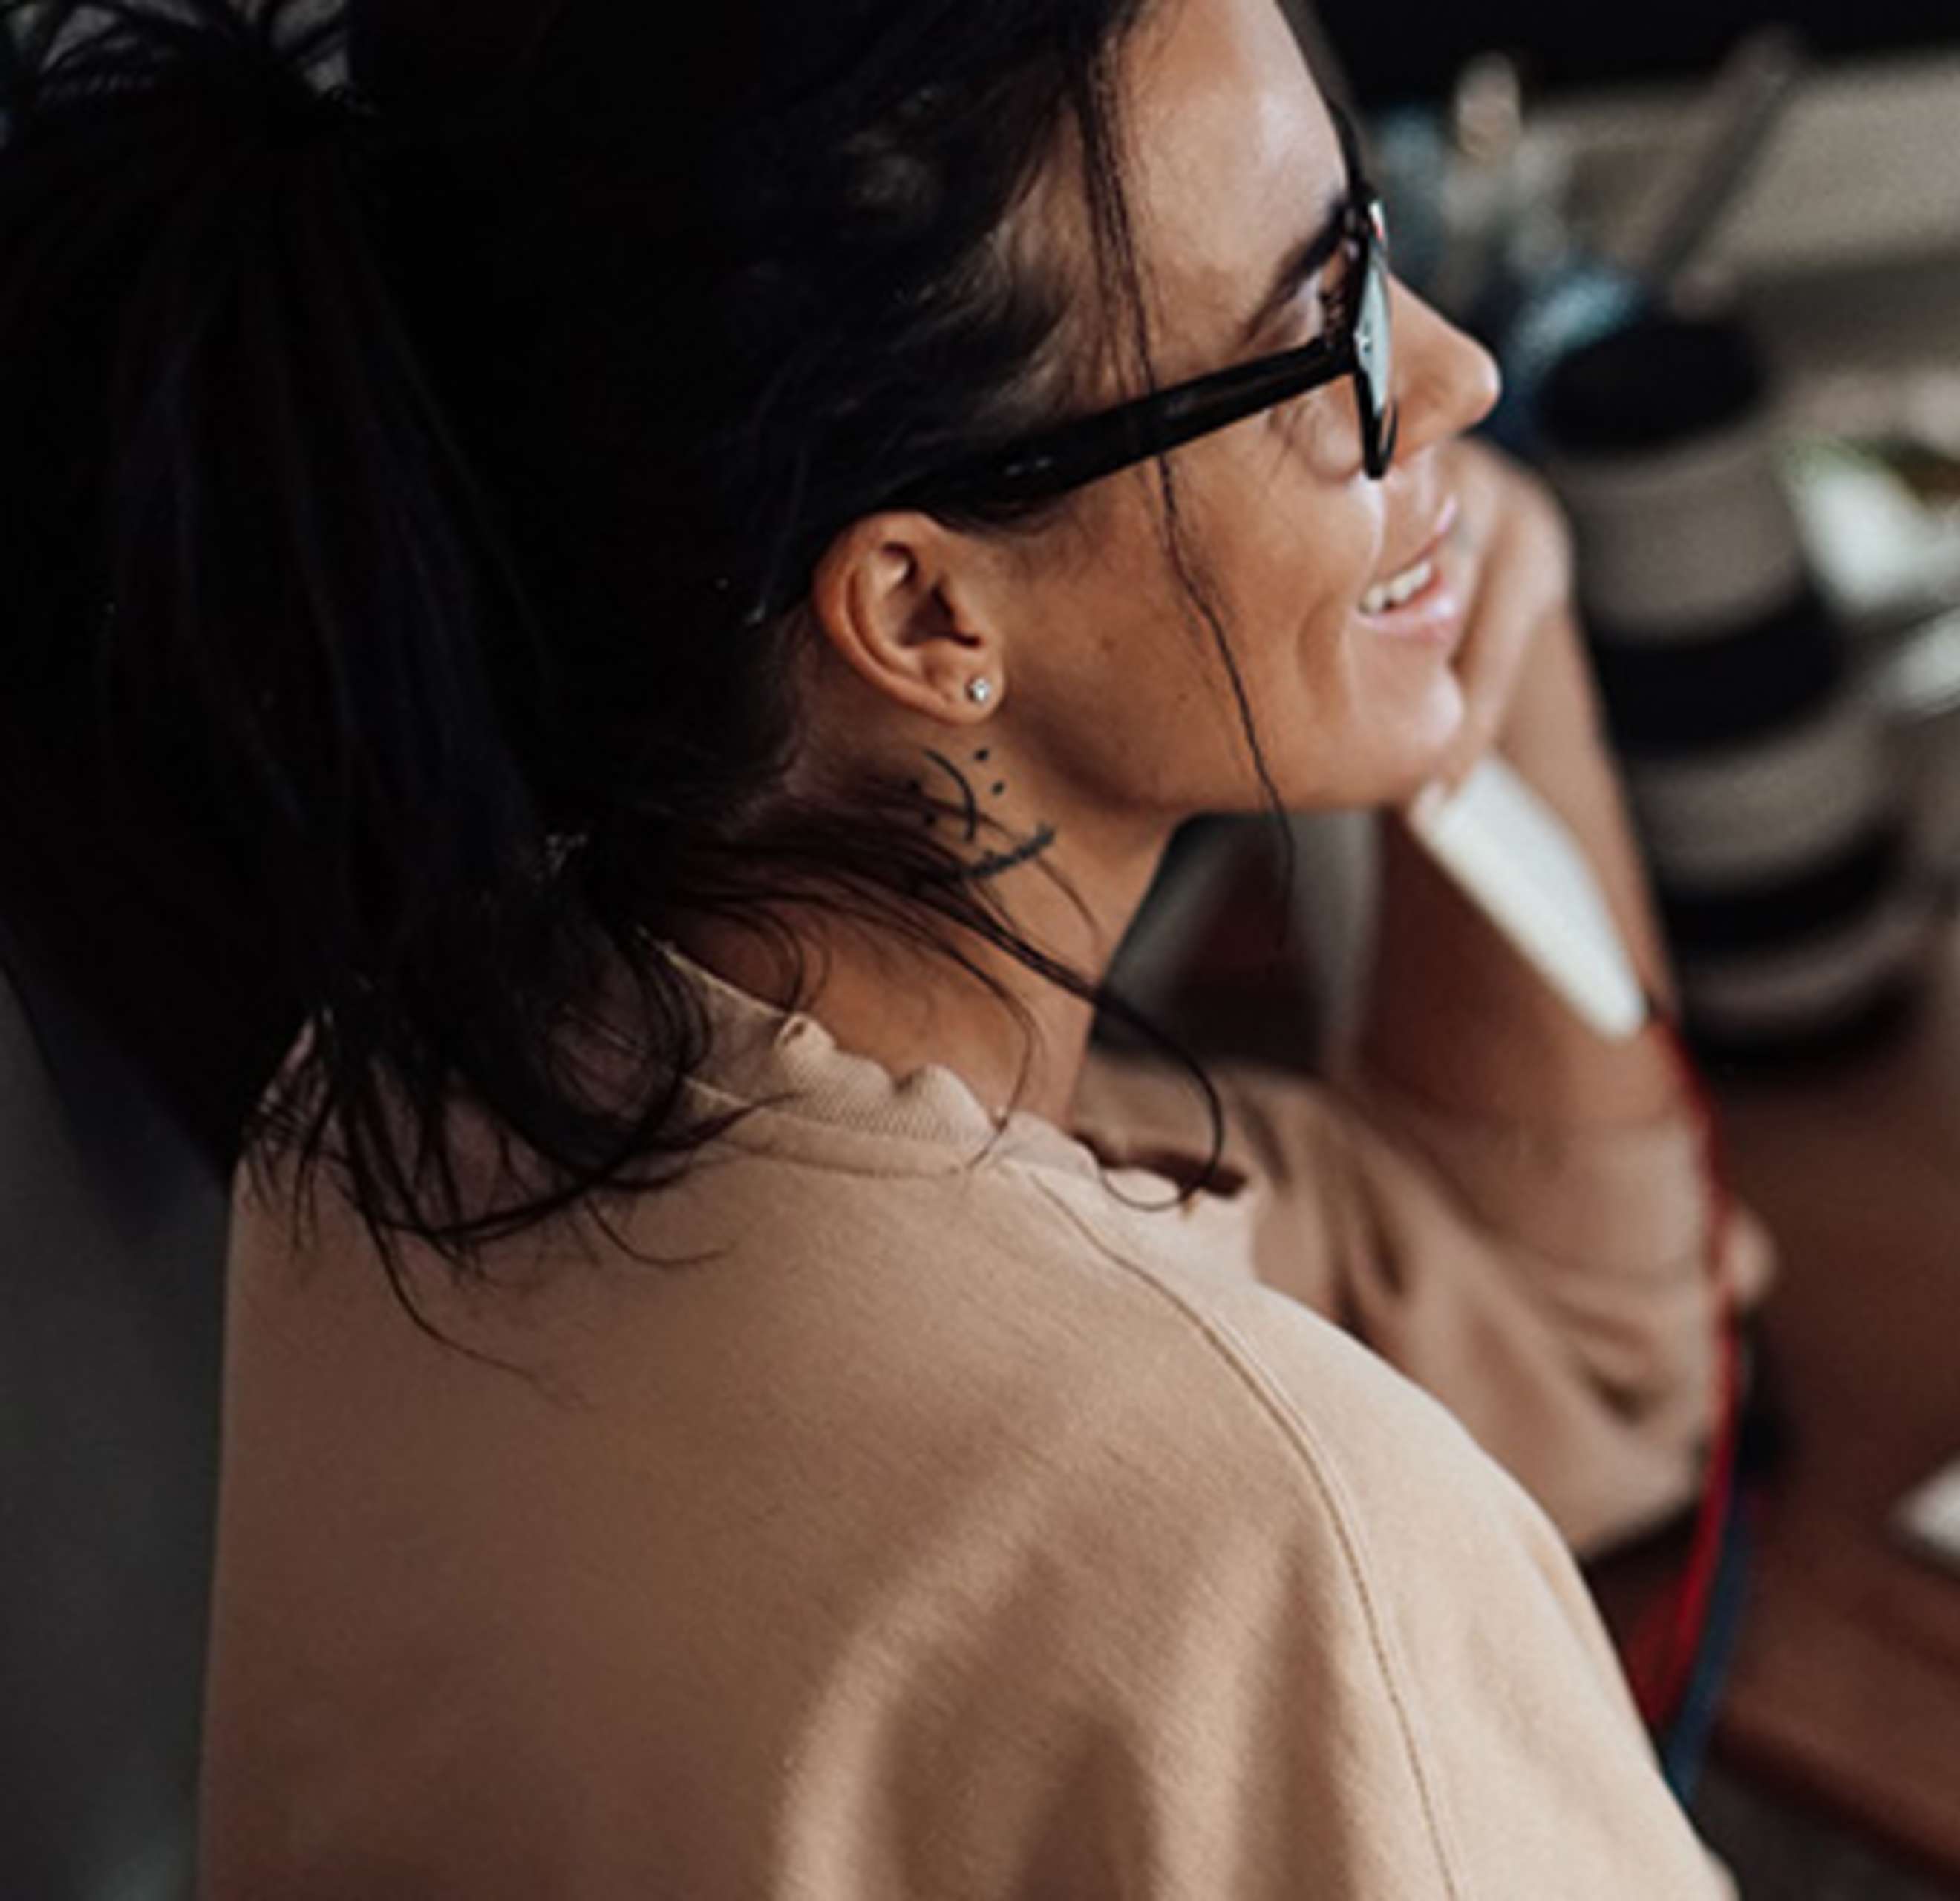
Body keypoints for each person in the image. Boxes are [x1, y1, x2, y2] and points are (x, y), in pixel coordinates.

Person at [0, 0, 1773, 1894]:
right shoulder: (1264, 1535)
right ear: (926, 612)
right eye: (1322, 324)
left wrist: (1429, 599)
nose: (1460, 375)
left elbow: (1583, 1358)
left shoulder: (397, 1123)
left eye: (1382, 253)